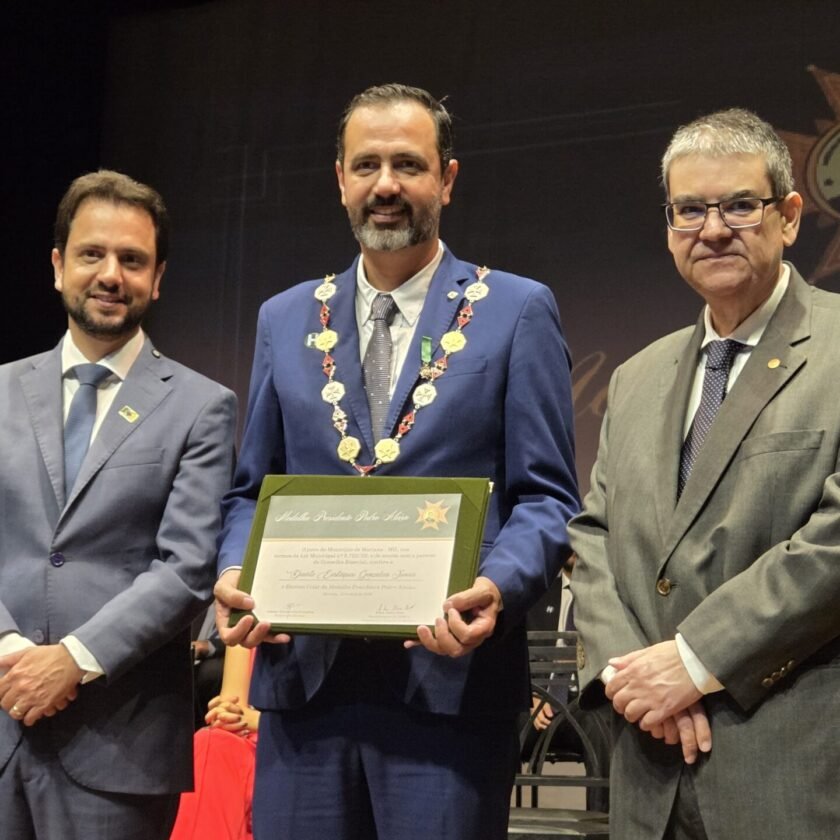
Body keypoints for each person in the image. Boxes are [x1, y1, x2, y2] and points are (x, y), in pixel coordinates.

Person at [213, 83, 579, 840]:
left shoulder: (516, 310)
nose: (386, 185)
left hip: (450, 686)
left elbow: (546, 497)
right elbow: (251, 489)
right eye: (367, 164)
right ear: (339, 179)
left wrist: (496, 588)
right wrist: (233, 572)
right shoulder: (283, 318)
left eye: (408, 165)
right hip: (302, 690)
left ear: (446, 178)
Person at [569, 107, 840, 839]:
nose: (712, 229)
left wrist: (695, 660)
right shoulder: (638, 376)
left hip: (791, 773)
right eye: (689, 209)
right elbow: (594, 536)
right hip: (648, 772)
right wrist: (636, 680)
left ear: (787, 217)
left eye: (739, 205)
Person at [0, 170, 237, 840]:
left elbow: (188, 566)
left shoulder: (201, 407)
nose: (111, 274)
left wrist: (72, 658)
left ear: (157, 278)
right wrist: (13, 653)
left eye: (132, 260)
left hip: (118, 749)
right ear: (57, 265)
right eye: (92, 255)